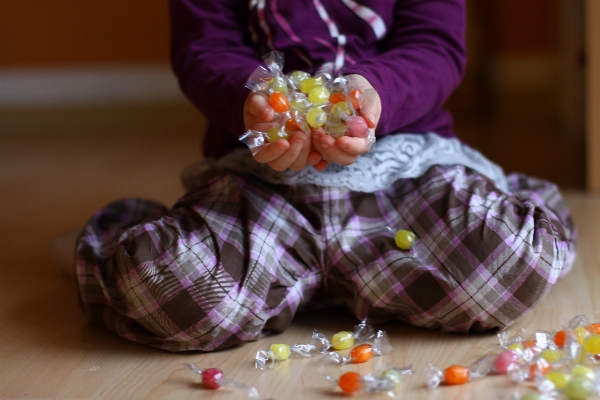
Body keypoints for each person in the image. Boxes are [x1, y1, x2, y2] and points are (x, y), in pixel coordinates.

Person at [74, 0, 576, 352]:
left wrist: (373, 94)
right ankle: (131, 235)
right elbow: (203, 49)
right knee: (164, 291)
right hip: (263, 186)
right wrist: (253, 100)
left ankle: (304, 280)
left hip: (404, 175)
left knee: (510, 259)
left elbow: (436, 46)